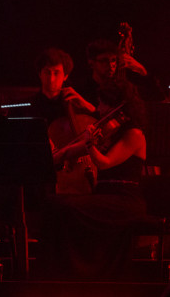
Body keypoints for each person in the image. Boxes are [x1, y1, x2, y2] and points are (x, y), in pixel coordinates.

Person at [45, 102, 149, 280]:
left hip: (124, 201)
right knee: (53, 202)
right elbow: (68, 153)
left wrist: (90, 143)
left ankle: (80, 275)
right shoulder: (107, 135)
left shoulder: (134, 135)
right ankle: (60, 274)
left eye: (104, 104)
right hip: (104, 196)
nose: (99, 109)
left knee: (66, 206)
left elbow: (104, 162)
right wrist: (51, 155)